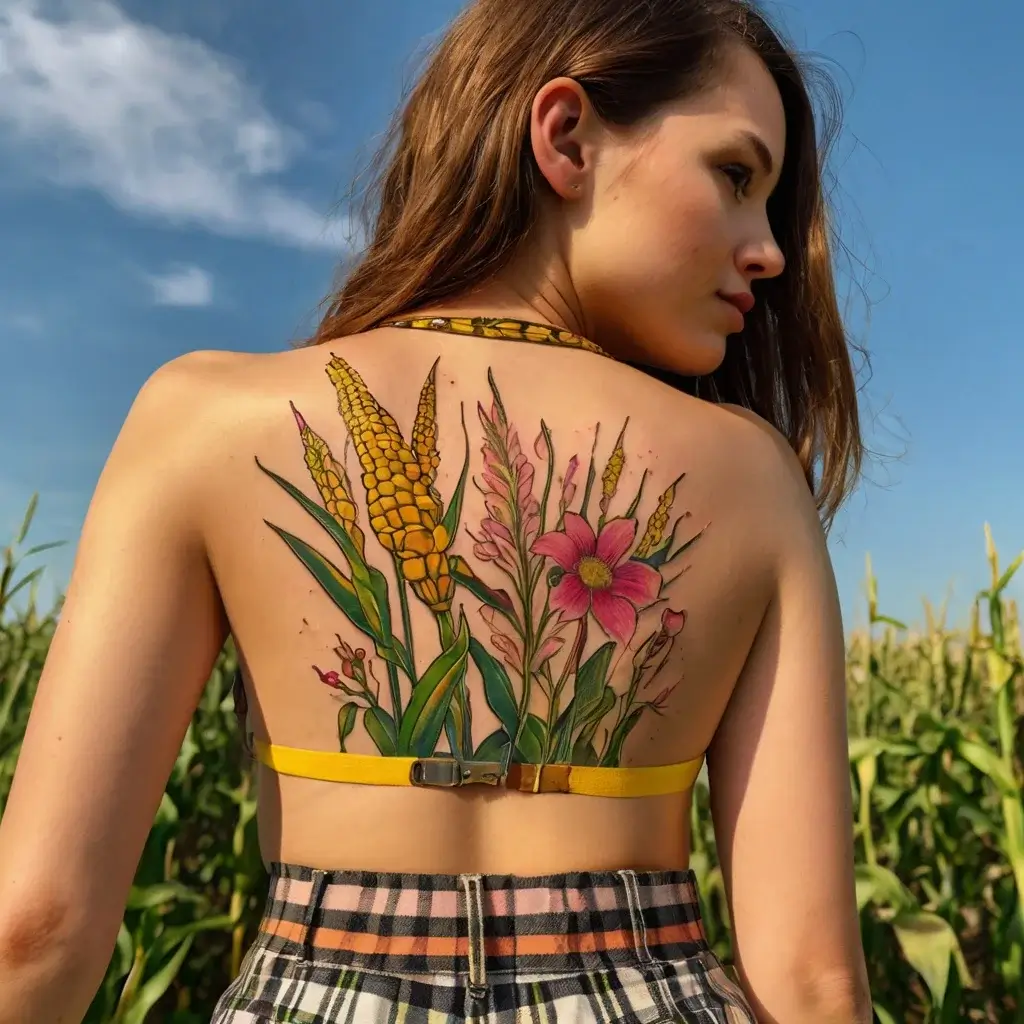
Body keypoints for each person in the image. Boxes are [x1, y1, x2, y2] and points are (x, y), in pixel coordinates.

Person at [0, 0, 874, 1020]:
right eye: (735, 176)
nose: (766, 251)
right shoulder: (752, 473)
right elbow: (811, 977)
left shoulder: (203, 418)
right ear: (566, 138)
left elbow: (36, 927)